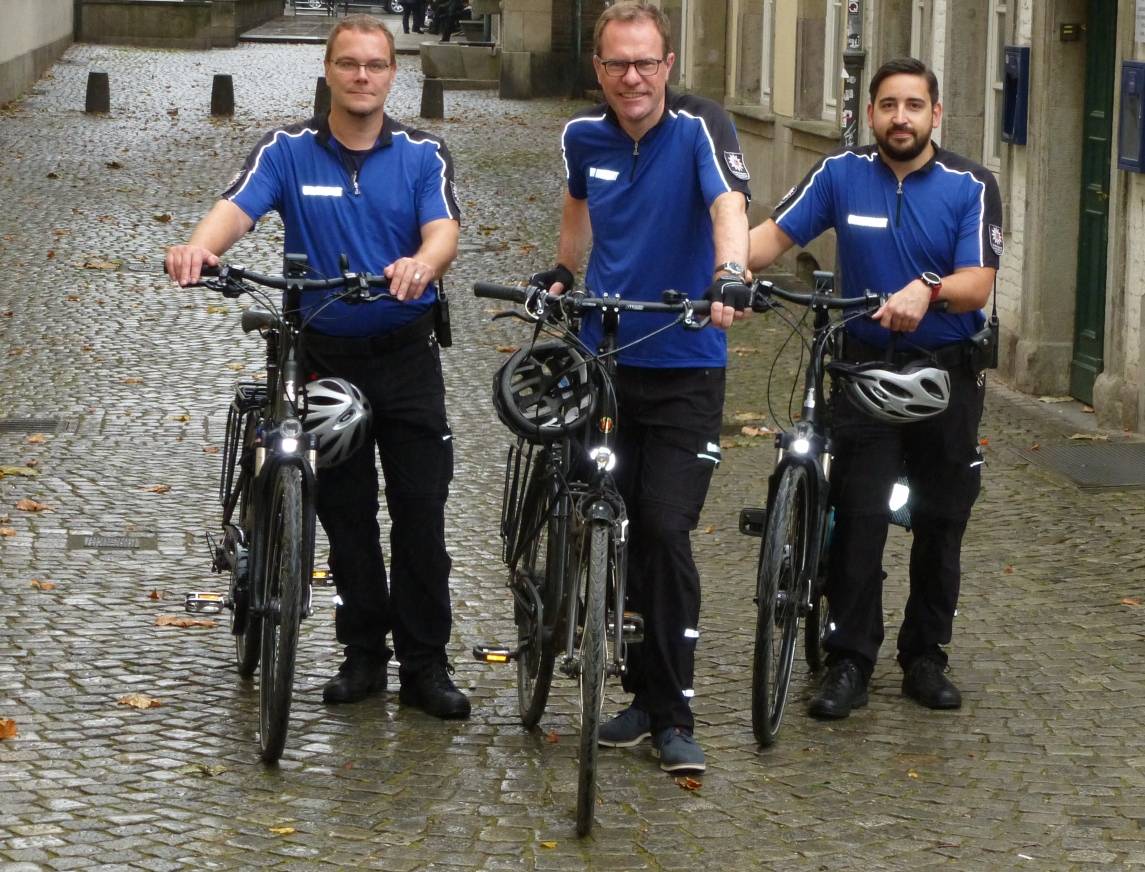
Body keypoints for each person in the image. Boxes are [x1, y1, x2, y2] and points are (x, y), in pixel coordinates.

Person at [165, 14, 470, 720]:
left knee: (421, 515)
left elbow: (442, 228)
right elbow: (235, 209)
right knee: (347, 513)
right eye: (349, 64)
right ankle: (363, 653)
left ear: (394, 74)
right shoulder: (288, 150)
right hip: (324, 358)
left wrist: (423, 263)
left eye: (375, 65)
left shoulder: (424, 155)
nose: (362, 76)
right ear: (328, 72)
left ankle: (426, 664)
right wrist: (196, 250)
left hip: (406, 357)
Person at [531, 1, 751, 774]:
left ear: (667, 66)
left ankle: (672, 711)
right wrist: (563, 269)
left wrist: (729, 273)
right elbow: (578, 207)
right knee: (596, 507)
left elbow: (727, 204)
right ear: (598, 68)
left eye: (646, 63)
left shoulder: (700, 129)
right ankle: (622, 676)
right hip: (604, 357)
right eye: (617, 63)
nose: (632, 77)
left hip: (685, 360)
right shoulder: (581, 136)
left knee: (662, 526)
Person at [748, 57, 1002, 719]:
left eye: (913, 105)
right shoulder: (839, 175)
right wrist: (715, 268)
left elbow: (977, 282)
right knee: (858, 517)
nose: (899, 118)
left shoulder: (970, 185)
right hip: (862, 368)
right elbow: (771, 238)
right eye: (887, 105)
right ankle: (848, 660)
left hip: (946, 371)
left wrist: (929, 289)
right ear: (870, 114)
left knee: (940, 521)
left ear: (934, 114)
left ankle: (924, 656)